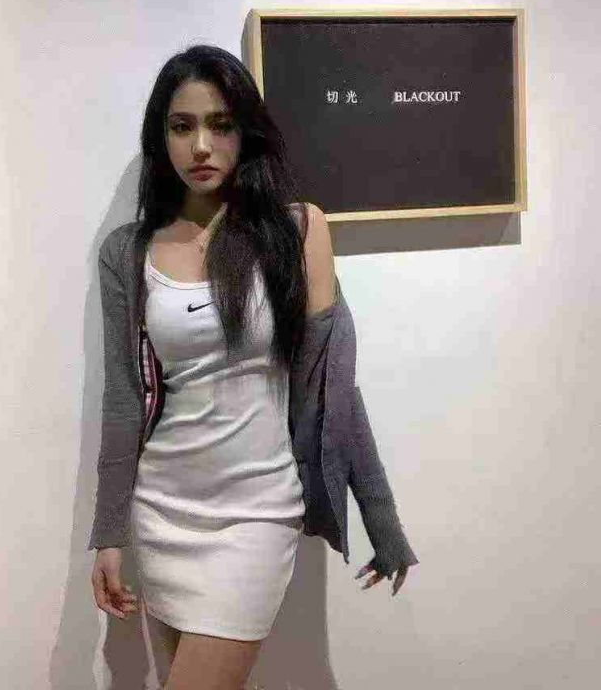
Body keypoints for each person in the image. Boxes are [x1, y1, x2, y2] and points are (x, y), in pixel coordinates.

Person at [89, 44, 414, 690]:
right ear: (160, 137)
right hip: (163, 509)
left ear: (246, 132)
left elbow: (332, 389)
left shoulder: (296, 232)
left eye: (220, 124)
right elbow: (124, 398)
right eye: (182, 126)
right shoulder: (127, 252)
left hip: (257, 513)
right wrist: (108, 533)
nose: (201, 146)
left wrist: (380, 517)